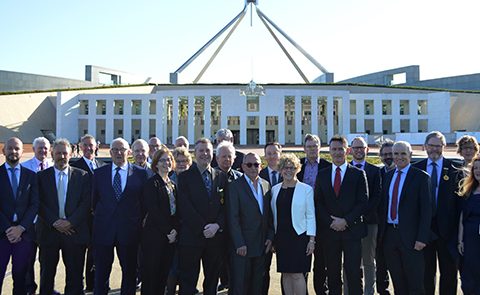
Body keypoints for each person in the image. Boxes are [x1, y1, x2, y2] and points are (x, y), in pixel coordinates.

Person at [92, 138, 149, 295]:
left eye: (122, 149)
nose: (118, 152)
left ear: (128, 152)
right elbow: (94, 201)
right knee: (101, 273)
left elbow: (144, 204)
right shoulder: (99, 174)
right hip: (104, 232)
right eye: (115, 149)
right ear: (110, 152)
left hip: (129, 232)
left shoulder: (141, 174)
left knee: (130, 273)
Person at [314, 135, 368, 295]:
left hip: (352, 232)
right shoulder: (322, 174)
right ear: (329, 151)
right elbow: (318, 203)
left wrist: (346, 221)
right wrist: (331, 222)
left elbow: (362, 203)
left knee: (354, 274)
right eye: (334, 149)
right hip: (330, 233)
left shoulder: (358, 174)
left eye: (340, 149)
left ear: (347, 151)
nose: (337, 152)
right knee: (332, 274)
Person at [36, 138, 91, 295]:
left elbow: (86, 204)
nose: (61, 156)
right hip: (48, 232)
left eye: (64, 153)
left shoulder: (83, 176)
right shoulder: (41, 177)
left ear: (71, 154)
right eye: (58, 153)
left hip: (74, 233)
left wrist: (70, 222)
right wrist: (55, 222)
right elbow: (38, 203)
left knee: (75, 277)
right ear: (52, 153)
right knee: (47, 275)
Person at [378, 141, 432, 294]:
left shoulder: (421, 177)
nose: (399, 157)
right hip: (390, 236)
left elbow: (426, 210)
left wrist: (422, 238)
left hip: (412, 237)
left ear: (410, 155)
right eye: (396, 154)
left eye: (403, 153)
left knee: (415, 283)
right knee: (398, 281)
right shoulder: (388, 177)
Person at [176, 138, 228, 295]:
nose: (205, 154)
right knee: (188, 281)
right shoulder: (184, 177)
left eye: (207, 150)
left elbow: (226, 206)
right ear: (194, 153)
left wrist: (217, 226)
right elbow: (185, 207)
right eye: (201, 150)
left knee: (211, 281)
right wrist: (203, 228)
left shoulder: (221, 176)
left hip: (214, 238)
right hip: (192, 237)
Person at [413, 131, 460, 295]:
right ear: (425, 147)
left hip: (447, 232)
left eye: (438, 146)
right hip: (424, 231)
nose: (434, 149)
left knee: (448, 273)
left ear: (444, 147)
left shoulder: (455, 170)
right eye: (431, 145)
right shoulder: (415, 169)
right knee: (426, 273)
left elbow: (459, 205)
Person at [227, 152, 273, 295]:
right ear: (243, 166)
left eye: (256, 164)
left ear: (261, 166)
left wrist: (270, 237)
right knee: (241, 285)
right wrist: (239, 243)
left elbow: (270, 216)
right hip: (243, 247)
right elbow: (232, 217)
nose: (253, 168)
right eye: (249, 164)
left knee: (258, 285)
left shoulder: (266, 185)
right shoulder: (234, 186)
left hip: (262, 245)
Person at [271, 153, 316, 295]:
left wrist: (311, 240)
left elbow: (311, 215)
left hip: (300, 237)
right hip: (281, 238)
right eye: (285, 168)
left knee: (297, 275)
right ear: (280, 169)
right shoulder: (274, 190)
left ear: (297, 169)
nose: (288, 171)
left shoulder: (306, 189)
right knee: (286, 274)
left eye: (292, 168)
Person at [0, 137, 39, 295]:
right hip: (2, 235)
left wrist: (21, 228)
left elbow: (34, 204)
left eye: (17, 148)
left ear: (23, 152)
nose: (13, 151)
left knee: (21, 277)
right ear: (4, 151)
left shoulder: (31, 176)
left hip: (24, 236)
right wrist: (9, 229)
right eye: (10, 148)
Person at [345, 137, 381, 295]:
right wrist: (350, 218)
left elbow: (376, 198)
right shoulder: (344, 169)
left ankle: (368, 292)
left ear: (367, 149)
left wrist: (359, 214)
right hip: (348, 224)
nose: (359, 150)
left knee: (368, 261)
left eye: (362, 147)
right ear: (350, 150)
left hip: (368, 223)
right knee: (349, 262)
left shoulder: (375, 171)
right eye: (356, 147)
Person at [141, 147, 179, 295]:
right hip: (155, 236)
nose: (166, 163)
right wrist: (169, 231)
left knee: (163, 275)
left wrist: (175, 230)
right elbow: (154, 211)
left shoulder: (172, 184)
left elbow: (176, 211)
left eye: (169, 159)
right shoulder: (152, 184)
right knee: (151, 276)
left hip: (170, 237)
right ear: (156, 164)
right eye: (162, 160)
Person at [70, 134, 105, 293]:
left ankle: (92, 284)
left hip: (99, 218)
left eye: (91, 145)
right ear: (80, 146)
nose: (88, 148)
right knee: (78, 254)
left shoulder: (102, 165)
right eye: (85, 145)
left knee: (95, 253)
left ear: (96, 146)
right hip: (81, 218)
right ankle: (78, 285)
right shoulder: (74, 166)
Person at [296, 134, 330, 295]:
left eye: (315, 146)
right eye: (309, 146)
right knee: (303, 257)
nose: (312, 149)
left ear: (319, 147)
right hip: (301, 218)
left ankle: (321, 291)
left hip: (322, 217)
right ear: (304, 148)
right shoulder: (298, 165)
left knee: (321, 260)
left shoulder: (327, 166)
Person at [215, 141, 242, 292]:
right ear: (217, 158)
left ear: (234, 158)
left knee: (235, 265)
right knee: (217, 263)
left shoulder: (240, 177)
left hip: (235, 229)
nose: (226, 159)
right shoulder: (212, 177)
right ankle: (222, 282)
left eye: (229, 156)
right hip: (217, 229)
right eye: (223, 156)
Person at [166, 146, 192, 295]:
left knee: (186, 268)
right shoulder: (169, 181)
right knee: (173, 267)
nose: (181, 164)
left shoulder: (194, 180)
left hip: (190, 231)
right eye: (178, 161)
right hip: (173, 231)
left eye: (184, 161)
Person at [258, 142, 282, 295]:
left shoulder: (290, 172)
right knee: (263, 270)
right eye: (269, 153)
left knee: (288, 270)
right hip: (265, 230)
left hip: (285, 229)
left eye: (275, 153)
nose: (272, 156)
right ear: (265, 156)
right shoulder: (258, 175)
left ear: (280, 153)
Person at [457, 155, 480, 294]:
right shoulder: (468, 192)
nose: (478, 171)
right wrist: (460, 240)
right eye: (475, 168)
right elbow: (462, 218)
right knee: (469, 276)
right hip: (470, 241)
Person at [376, 139, 395, 295]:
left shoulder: (406, 173)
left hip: (400, 228)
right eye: (385, 154)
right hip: (381, 228)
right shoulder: (378, 173)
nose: (388, 157)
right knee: (380, 264)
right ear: (380, 156)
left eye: (391, 154)